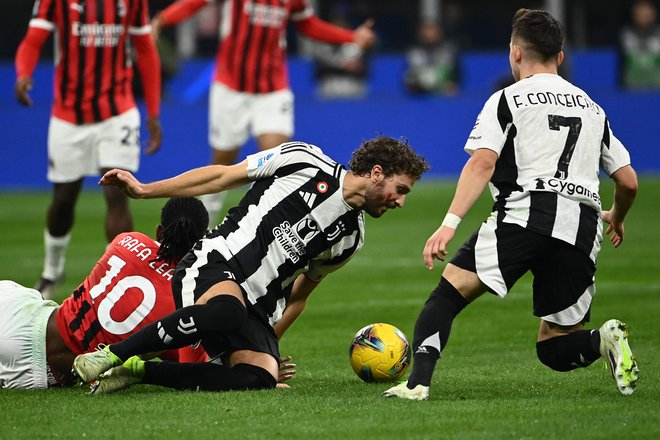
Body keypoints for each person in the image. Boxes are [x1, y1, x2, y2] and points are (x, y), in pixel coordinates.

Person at [384, 9, 639, 401]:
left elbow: (483, 162)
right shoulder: (593, 109)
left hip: (524, 215)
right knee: (553, 346)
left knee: (448, 295)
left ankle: (417, 385)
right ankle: (601, 340)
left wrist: (449, 223)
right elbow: (628, 181)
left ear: (516, 54)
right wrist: (616, 218)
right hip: (583, 226)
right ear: (561, 57)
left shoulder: (508, 98)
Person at [72, 136, 429, 394]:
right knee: (227, 311)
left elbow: (300, 296)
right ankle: (108, 356)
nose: (399, 202)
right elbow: (223, 177)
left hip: (254, 309)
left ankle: (138, 372)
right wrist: (145, 189)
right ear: (377, 173)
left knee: (259, 378)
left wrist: (267, 344)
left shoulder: (350, 238)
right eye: (400, 190)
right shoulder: (303, 160)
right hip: (213, 263)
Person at [150, 0, 376, 225]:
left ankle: (252, 226)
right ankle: (205, 225)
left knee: (273, 161)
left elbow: (307, 24)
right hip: (231, 86)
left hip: (272, 89)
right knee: (223, 160)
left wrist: (350, 37)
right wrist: (164, 18)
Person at [15, 0, 163, 299]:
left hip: (118, 112)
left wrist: (153, 112)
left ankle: (122, 276)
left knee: (118, 194)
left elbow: (145, 49)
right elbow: (33, 39)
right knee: (63, 200)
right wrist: (23, 73)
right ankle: (52, 271)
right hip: (69, 116)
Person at [0, 198, 208, 389]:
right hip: (42, 371)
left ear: (160, 233)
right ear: (205, 238)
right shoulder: (187, 298)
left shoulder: (126, 241)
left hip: (26, 315)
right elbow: (188, 366)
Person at [403, 21, 460, 95]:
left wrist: (451, 85)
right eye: (426, 30)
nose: (429, 34)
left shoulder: (449, 52)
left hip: (445, 99)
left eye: (433, 30)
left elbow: (457, 77)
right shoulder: (413, 53)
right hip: (419, 98)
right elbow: (407, 79)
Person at [619, 0, 660, 89]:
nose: (643, 15)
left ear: (653, 13)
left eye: (646, 11)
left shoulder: (658, 33)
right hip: (631, 89)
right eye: (640, 12)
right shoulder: (625, 34)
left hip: (657, 88)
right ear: (634, 13)